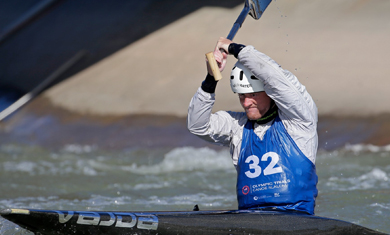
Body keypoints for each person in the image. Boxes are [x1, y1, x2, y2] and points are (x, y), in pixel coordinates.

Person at [187, 37, 318, 215]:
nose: (246, 103)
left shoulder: (299, 120)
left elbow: (275, 78)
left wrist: (236, 49)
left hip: (295, 218)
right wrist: (211, 78)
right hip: (249, 220)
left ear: (269, 92)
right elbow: (197, 126)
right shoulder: (237, 127)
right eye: (241, 96)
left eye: (253, 94)